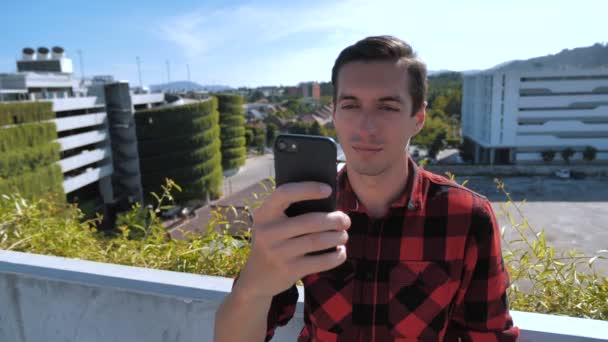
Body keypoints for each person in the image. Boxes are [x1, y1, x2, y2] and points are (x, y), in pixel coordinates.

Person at [215, 35, 520, 341]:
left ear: (418, 118)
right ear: (334, 113)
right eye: (350, 105)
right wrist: (253, 285)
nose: (366, 128)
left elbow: (489, 336)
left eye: (387, 107)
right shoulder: (302, 210)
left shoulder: (465, 217)